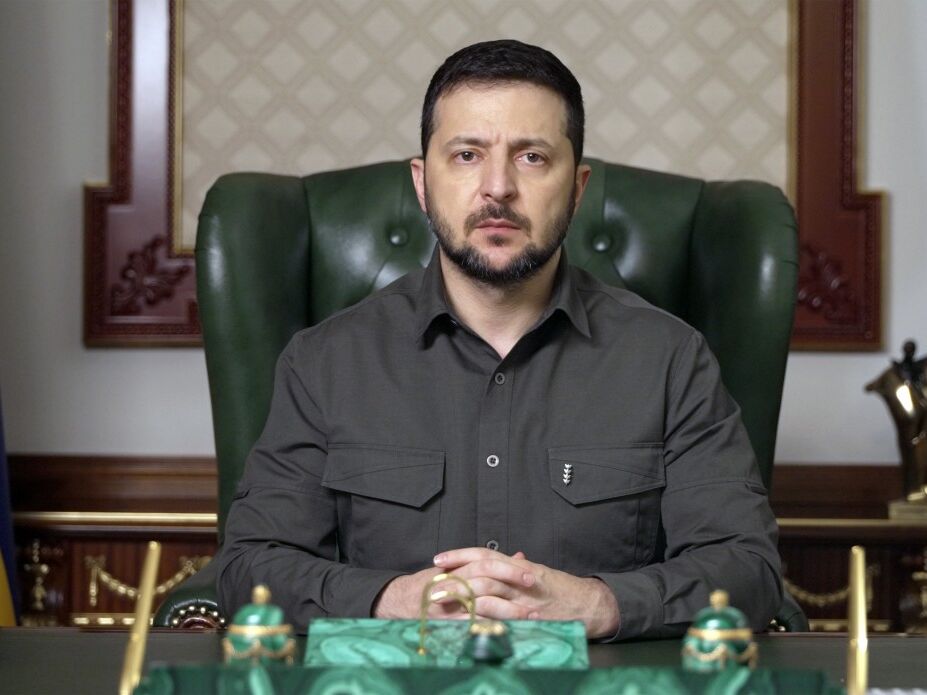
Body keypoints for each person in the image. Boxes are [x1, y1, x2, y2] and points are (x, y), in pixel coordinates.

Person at [215, 39, 782, 640]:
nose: (498, 187)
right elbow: (249, 567)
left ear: (578, 187)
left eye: (532, 157)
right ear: (422, 183)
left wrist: (598, 605)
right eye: (466, 155)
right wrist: (386, 600)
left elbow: (746, 569)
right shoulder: (325, 361)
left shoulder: (670, 359)